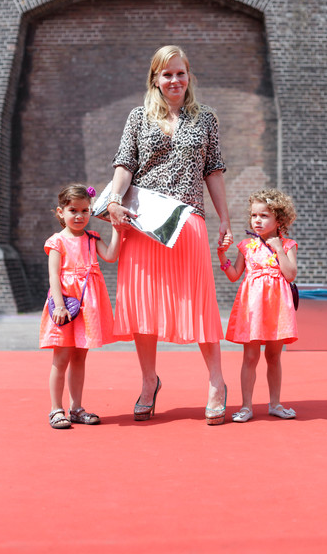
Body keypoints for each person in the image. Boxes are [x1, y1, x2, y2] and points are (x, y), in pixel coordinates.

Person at [107, 45, 233, 425]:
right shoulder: (138, 117)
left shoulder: (205, 118)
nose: (174, 80)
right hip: (143, 221)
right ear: (155, 78)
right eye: (167, 74)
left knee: (198, 301)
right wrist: (113, 200)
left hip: (188, 219)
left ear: (188, 76)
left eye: (180, 73)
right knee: (143, 305)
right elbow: (125, 165)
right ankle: (149, 382)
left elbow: (213, 170)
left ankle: (216, 381)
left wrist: (224, 219)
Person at [40, 183, 121, 429]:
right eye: (73, 210)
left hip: (87, 306)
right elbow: (54, 276)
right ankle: (56, 409)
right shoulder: (57, 241)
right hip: (65, 305)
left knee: (79, 358)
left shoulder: (92, 238)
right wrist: (59, 305)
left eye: (85, 210)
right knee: (61, 357)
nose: (79, 215)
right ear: (61, 212)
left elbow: (111, 256)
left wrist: (117, 229)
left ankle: (76, 408)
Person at [218, 188, 298, 422]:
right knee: (250, 358)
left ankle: (275, 404)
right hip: (252, 309)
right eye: (254, 215)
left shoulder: (288, 245)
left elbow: (290, 274)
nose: (257, 220)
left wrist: (278, 248)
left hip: (277, 309)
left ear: (279, 219)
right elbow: (235, 275)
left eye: (264, 215)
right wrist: (222, 256)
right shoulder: (246, 246)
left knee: (273, 357)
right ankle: (246, 406)